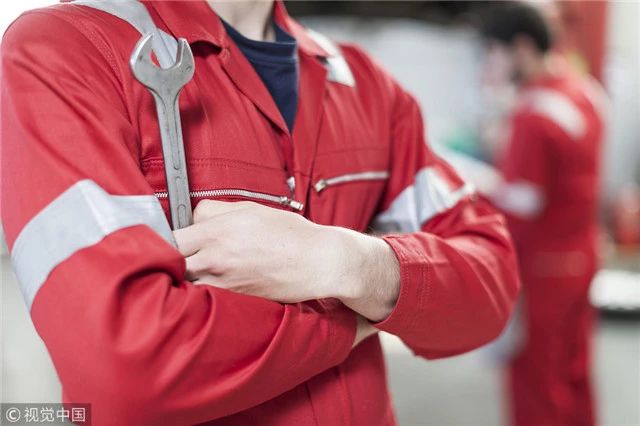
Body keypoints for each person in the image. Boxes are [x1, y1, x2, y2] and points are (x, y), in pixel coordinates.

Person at [0, 1, 519, 424]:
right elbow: (124, 370)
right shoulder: (66, 50)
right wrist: (361, 314)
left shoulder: (366, 87)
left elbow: (491, 288)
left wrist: (348, 262)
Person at [482, 3, 605, 425]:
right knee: (574, 370)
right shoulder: (585, 90)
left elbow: (523, 200)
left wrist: (474, 189)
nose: (491, 64)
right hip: (582, 251)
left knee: (536, 380)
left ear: (521, 48)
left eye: (494, 52)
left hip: (542, 266)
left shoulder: (534, 112)